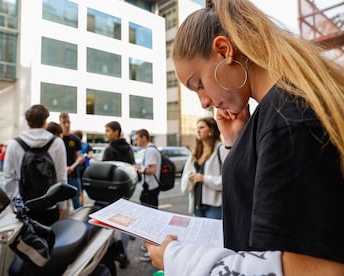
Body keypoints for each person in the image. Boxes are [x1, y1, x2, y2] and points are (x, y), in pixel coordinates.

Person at [146, 1, 344, 275]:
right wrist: (237, 143)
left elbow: (317, 268)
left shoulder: (287, 119)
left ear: (224, 51)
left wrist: (176, 258)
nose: (203, 102)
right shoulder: (278, 111)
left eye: (199, 84)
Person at [3, 104, 68, 226]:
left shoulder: (14, 144)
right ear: (45, 121)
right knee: (50, 241)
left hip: (24, 206)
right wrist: (62, 206)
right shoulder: (57, 143)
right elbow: (61, 177)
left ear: (28, 122)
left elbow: (8, 178)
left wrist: (14, 202)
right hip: (50, 206)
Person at [102, 121, 135, 269]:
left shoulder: (110, 149)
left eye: (108, 131)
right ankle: (125, 254)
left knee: (109, 225)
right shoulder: (128, 147)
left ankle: (111, 254)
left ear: (116, 132)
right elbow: (132, 168)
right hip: (126, 191)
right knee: (124, 226)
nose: (106, 133)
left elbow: (105, 172)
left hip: (110, 192)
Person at [181, 117, 228, 219]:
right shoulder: (195, 153)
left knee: (214, 234)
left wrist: (204, 179)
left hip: (215, 206)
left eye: (202, 127)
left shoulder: (222, 150)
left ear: (211, 130)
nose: (198, 130)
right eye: (197, 128)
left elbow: (228, 180)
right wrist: (189, 177)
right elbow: (185, 176)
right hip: (197, 204)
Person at [134, 128, 161, 262]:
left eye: (137, 138)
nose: (135, 140)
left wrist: (139, 170)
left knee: (149, 220)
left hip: (150, 189)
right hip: (151, 188)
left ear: (144, 138)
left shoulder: (150, 150)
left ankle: (152, 251)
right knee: (151, 218)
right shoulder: (151, 149)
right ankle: (151, 248)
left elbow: (152, 170)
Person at [59, 112, 85, 210]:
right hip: (60, 177)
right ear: (60, 123)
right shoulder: (57, 139)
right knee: (61, 205)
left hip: (74, 176)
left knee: (76, 204)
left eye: (68, 122)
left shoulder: (75, 139)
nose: (67, 125)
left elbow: (78, 156)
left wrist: (79, 160)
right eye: (64, 122)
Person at [73, 129, 94, 205]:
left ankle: (80, 206)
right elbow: (91, 155)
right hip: (84, 170)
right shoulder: (87, 145)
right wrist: (85, 157)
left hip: (76, 170)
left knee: (79, 190)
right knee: (80, 190)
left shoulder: (73, 145)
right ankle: (80, 206)